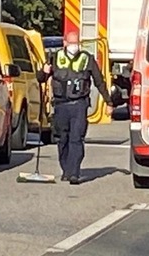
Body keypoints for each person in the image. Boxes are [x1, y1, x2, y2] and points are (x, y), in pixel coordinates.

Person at [37, 32, 114, 185]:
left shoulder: (87, 59)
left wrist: (109, 102)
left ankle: (74, 172)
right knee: (62, 138)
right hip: (60, 104)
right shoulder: (54, 58)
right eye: (72, 42)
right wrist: (43, 72)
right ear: (65, 43)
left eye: (77, 43)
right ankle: (66, 169)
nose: (75, 46)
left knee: (76, 139)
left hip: (79, 104)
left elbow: (99, 81)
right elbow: (40, 79)